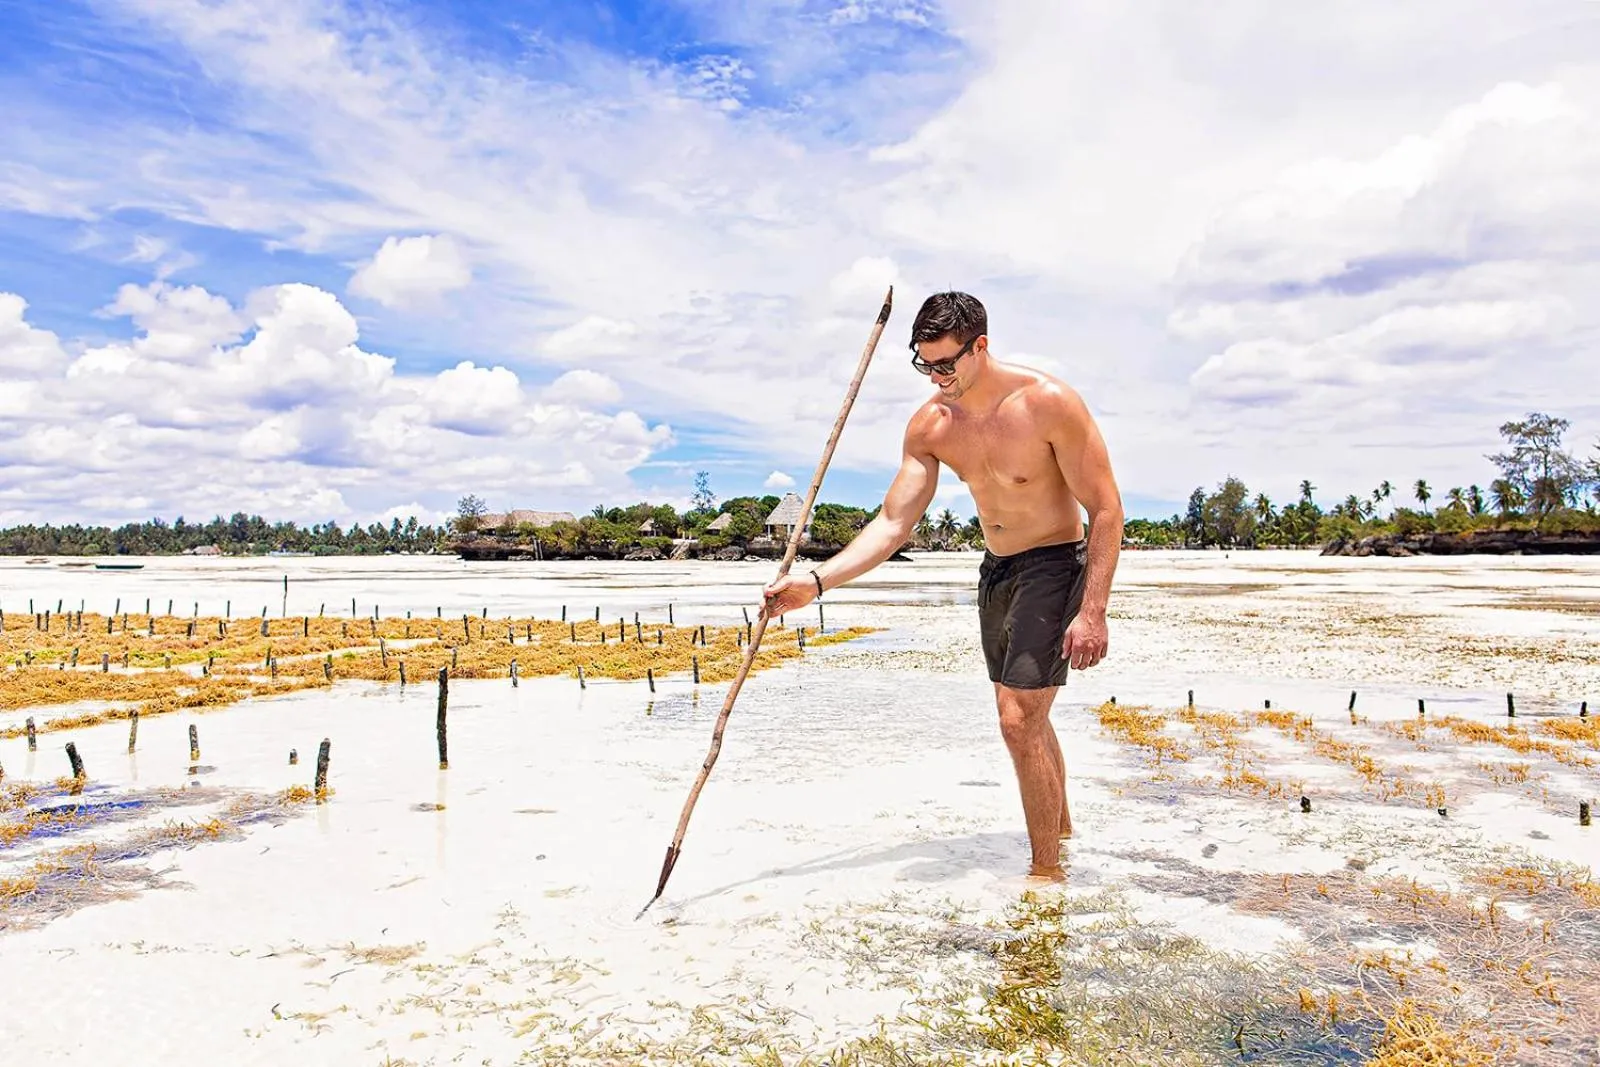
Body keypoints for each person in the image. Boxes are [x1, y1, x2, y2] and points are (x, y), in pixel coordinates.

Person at [761, 290, 1124, 882]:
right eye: (924, 364)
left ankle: (1046, 877)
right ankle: (1061, 831)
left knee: (1016, 719)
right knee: (1028, 717)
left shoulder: (1047, 404)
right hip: (998, 570)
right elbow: (893, 522)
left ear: (980, 347)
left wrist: (1094, 611)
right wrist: (818, 581)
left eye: (945, 364)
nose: (935, 377)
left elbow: (1107, 508)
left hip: (1057, 562)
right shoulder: (931, 425)